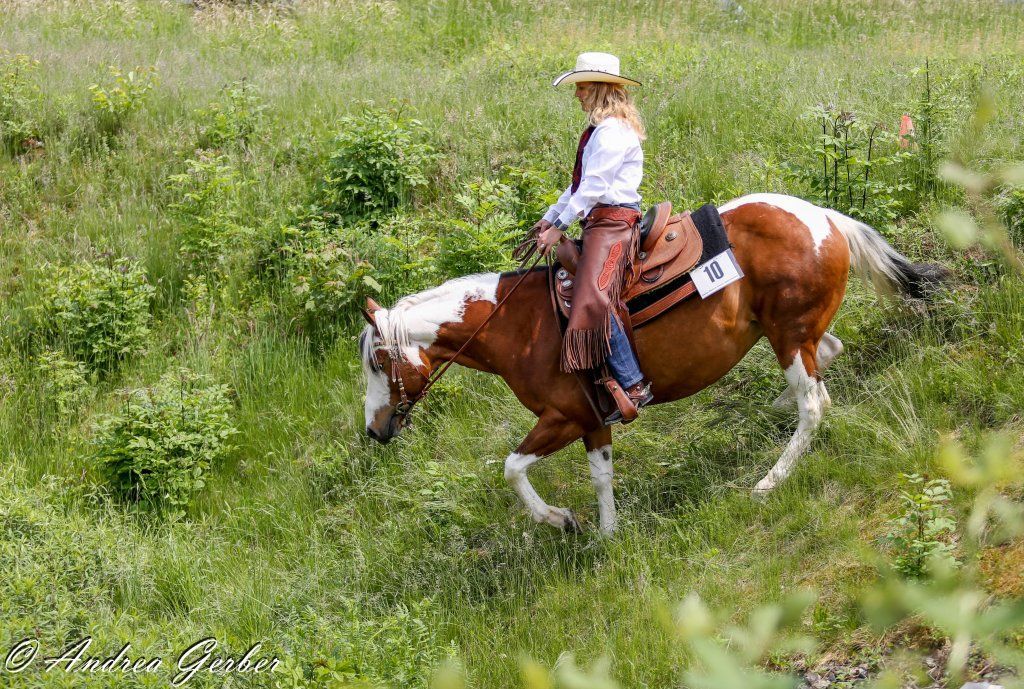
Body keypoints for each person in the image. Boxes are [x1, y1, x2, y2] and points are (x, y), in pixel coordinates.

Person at [530, 52, 653, 423]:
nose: (577, 94)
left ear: (599, 88)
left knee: (592, 294)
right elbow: (578, 188)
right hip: (599, 220)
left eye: (582, 86)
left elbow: (595, 186)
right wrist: (550, 218)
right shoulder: (602, 131)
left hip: (614, 222)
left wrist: (560, 228)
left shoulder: (613, 132)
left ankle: (633, 385)